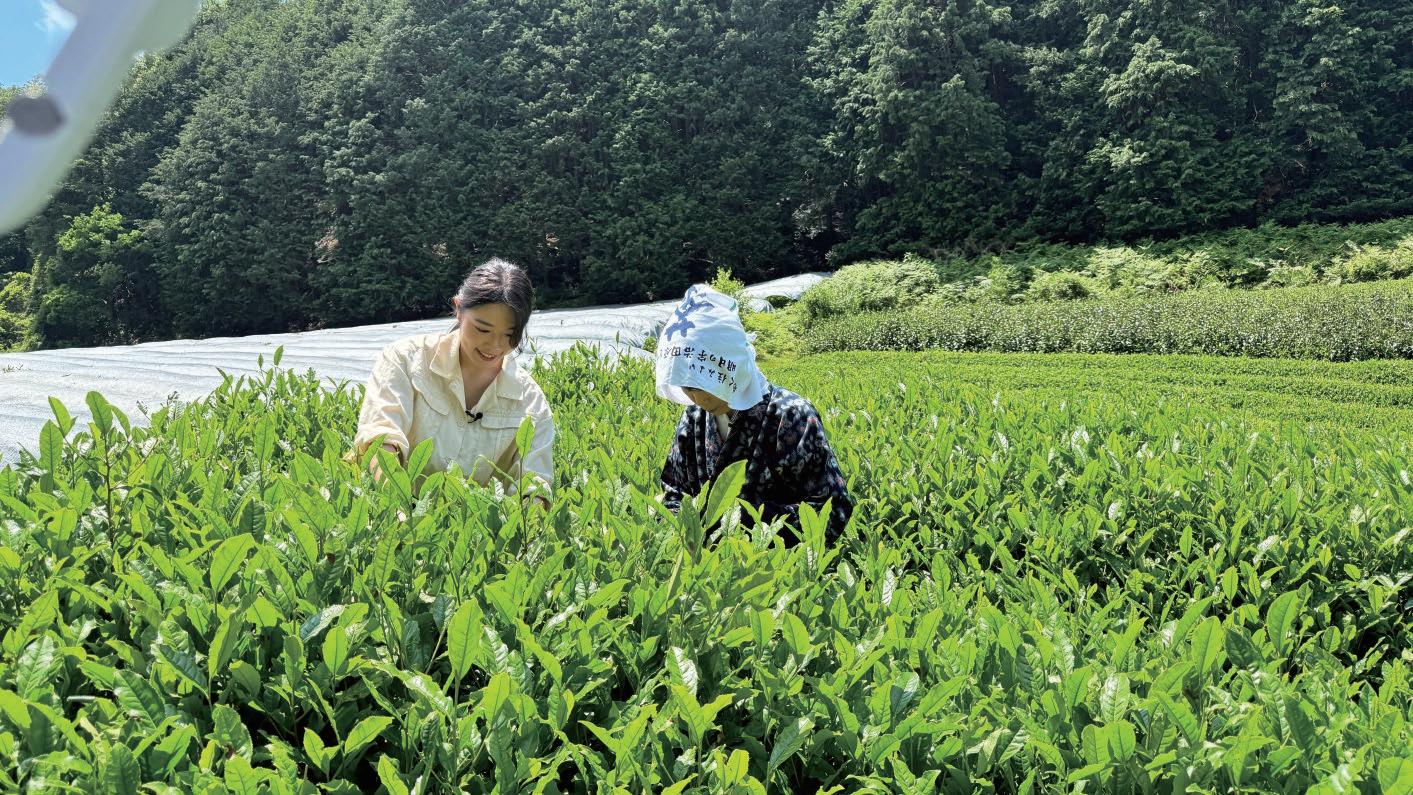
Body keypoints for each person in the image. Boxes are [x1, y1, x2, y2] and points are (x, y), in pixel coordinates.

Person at [656, 284, 852, 543]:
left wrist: (742, 523)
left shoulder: (793, 416)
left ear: (731, 366)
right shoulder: (694, 417)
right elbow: (673, 493)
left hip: (778, 564)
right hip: (705, 564)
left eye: (706, 384)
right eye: (688, 387)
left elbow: (832, 510)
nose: (699, 399)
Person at [352, 258, 554, 505]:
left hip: (475, 525)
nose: (495, 345)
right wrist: (397, 509)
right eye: (483, 329)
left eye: (510, 335)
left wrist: (527, 519)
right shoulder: (406, 360)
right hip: (399, 512)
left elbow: (534, 485)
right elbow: (382, 440)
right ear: (459, 309)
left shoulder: (530, 402)